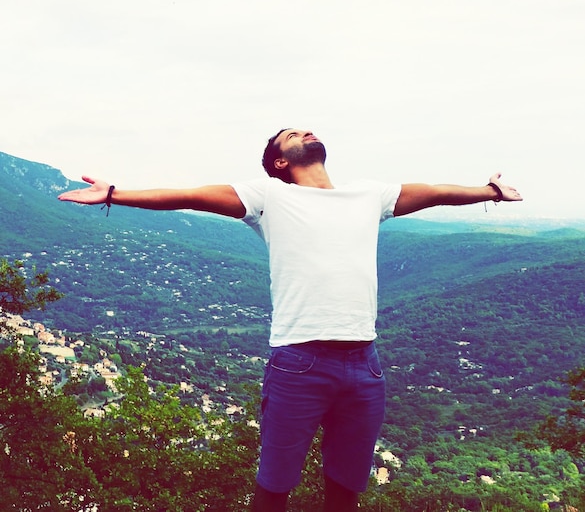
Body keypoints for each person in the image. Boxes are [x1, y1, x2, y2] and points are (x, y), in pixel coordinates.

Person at [58, 128, 523, 511]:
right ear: (279, 161)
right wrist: (115, 194)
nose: (304, 131)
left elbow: (434, 193)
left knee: (346, 489)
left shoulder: (369, 194)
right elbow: (193, 196)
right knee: (274, 488)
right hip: (299, 362)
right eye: (290, 134)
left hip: (365, 364)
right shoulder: (269, 194)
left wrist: (490, 192)